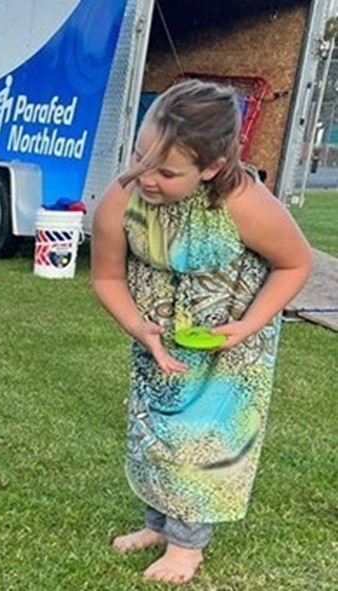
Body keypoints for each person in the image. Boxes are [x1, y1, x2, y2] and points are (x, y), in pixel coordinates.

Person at [90, 79, 312, 584]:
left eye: (166, 171)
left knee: (202, 443)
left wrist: (248, 327)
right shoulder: (124, 197)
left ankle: (187, 547)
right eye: (140, 155)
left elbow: (294, 264)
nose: (146, 176)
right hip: (159, 341)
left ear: (210, 168)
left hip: (231, 351)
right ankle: (157, 525)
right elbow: (106, 276)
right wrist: (137, 327)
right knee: (156, 436)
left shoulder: (243, 203)